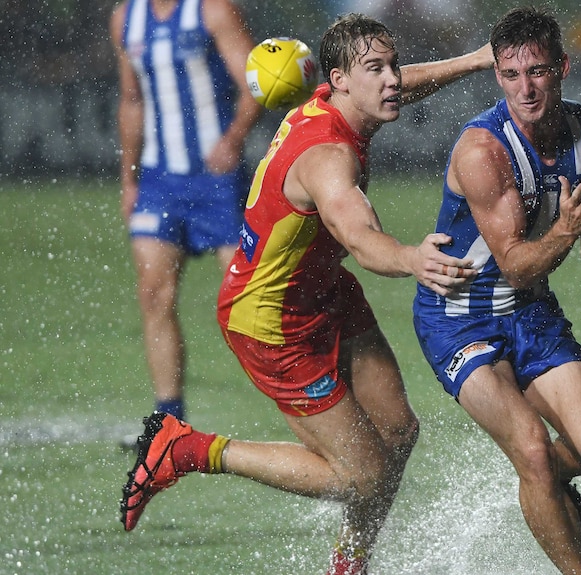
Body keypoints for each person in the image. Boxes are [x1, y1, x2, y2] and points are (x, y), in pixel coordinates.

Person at [120, 13, 494, 575]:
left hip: (322, 289)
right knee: (359, 475)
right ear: (342, 79)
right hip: (269, 320)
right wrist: (414, 258)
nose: (392, 79)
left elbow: (399, 82)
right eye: (377, 70)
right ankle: (186, 448)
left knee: (397, 430)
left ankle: (349, 564)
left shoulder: (335, 99)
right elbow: (362, 240)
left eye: (392, 65)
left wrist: (476, 60)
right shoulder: (329, 158)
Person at [412, 7, 581, 575]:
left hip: (529, 314)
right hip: (459, 318)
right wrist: (565, 229)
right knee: (530, 447)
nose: (525, 89)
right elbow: (518, 264)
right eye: (510, 75)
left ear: (563, 68)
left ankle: (543, 487)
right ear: (498, 76)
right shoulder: (483, 151)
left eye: (537, 72)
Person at [110, 0, 262, 422]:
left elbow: (256, 82)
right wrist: (129, 179)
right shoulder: (126, 19)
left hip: (218, 180)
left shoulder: (213, 10)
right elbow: (131, 99)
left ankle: (297, 392)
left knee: (249, 300)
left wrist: (234, 138)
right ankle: (169, 419)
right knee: (154, 294)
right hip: (159, 183)